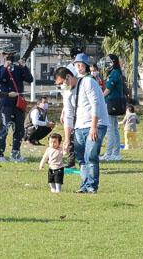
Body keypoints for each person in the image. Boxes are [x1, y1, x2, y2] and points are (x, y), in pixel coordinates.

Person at [55, 66, 107, 194]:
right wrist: (67, 138)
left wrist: (94, 127)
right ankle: (84, 186)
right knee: (81, 159)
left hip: (96, 124)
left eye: (62, 83)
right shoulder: (66, 92)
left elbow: (96, 104)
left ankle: (92, 186)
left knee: (90, 156)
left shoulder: (88, 82)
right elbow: (68, 114)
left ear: (68, 76)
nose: (61, 87)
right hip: (79, 126)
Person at [0, 53, 33, 162]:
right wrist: (5, 67)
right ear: (4, 56)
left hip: (18, 103)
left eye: (12, 55)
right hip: (6, 103)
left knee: (19, 129)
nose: (10, 58)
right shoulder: (0, 68)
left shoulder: (18, 69)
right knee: (4, 129)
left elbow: (30, 79)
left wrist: (24, 66)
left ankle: (15, 153)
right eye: (8, 55)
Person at [101, 54, 125, 161]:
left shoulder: (114, 73)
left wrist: (99, 99)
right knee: (114, 129)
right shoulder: (115, 72)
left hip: (112, 103)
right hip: (114, 103)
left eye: (108, 61)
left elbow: (109, 89)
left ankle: (109, 153)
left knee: (111, 129)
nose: (106, 63)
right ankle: (116, 154)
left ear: (113, 62)